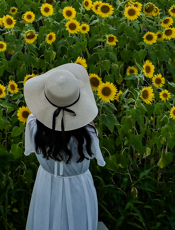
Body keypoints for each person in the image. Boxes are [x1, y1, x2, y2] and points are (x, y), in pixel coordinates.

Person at [22, 63, 106, 230]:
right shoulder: (88, 132)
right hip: (79, 187)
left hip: (46, 183)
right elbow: (97, 159)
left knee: (45, 220)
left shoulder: (33, 124)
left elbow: (30, 149)